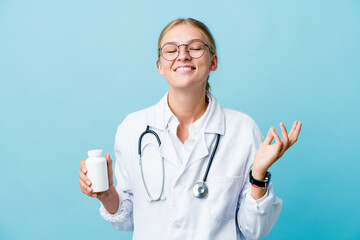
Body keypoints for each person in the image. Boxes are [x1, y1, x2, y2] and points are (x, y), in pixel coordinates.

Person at [78, 18, 302, 240]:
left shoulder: (243, 130)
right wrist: (107, 195)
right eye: (171, 49)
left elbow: (254, 229)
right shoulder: (132, 128)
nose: (182, 55)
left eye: (195, 48)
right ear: (160, 66)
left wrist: (258, 175)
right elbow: (128, 220)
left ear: (213, 62)